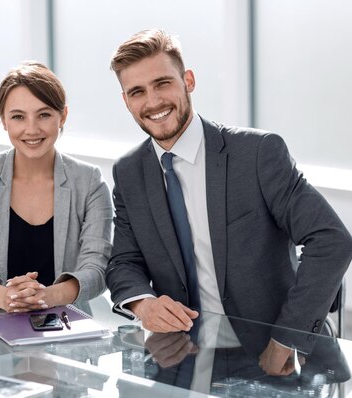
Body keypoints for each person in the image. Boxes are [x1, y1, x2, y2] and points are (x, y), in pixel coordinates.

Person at [105, 29, 352, 377]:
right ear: (126, 101)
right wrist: (142, 304)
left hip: (275, 357)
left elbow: (331, 239)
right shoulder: (129, 172)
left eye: (163, 83)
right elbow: (123, 262)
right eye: (137, 92)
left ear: (188, 80)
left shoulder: (257, 154)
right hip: (181, 357)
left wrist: (286, 338)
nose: (153, 101)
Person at [0, 61, 113, 312]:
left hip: (67, 329)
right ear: (3, 121)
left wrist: (47, 296)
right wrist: (7, 298)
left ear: (63, 116)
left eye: (44, 114)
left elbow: (96, 269)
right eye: (18, 117)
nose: (31, 129)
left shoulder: (90, 182)